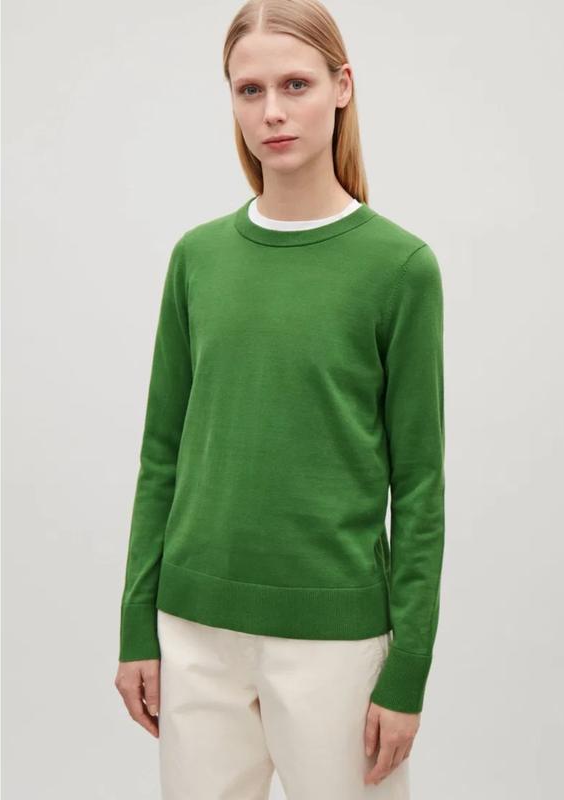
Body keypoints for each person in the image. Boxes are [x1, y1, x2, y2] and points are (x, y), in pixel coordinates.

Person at [114, 1, 445, 797]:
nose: (272, 111)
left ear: (342, 87)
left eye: (295, 84)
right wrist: (137, 625)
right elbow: (162, 453)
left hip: (334, 639)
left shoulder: (399, 268)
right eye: (249, 89)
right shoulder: (198, 258)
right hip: (194, 630)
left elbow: (420, 487)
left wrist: (408, 669)